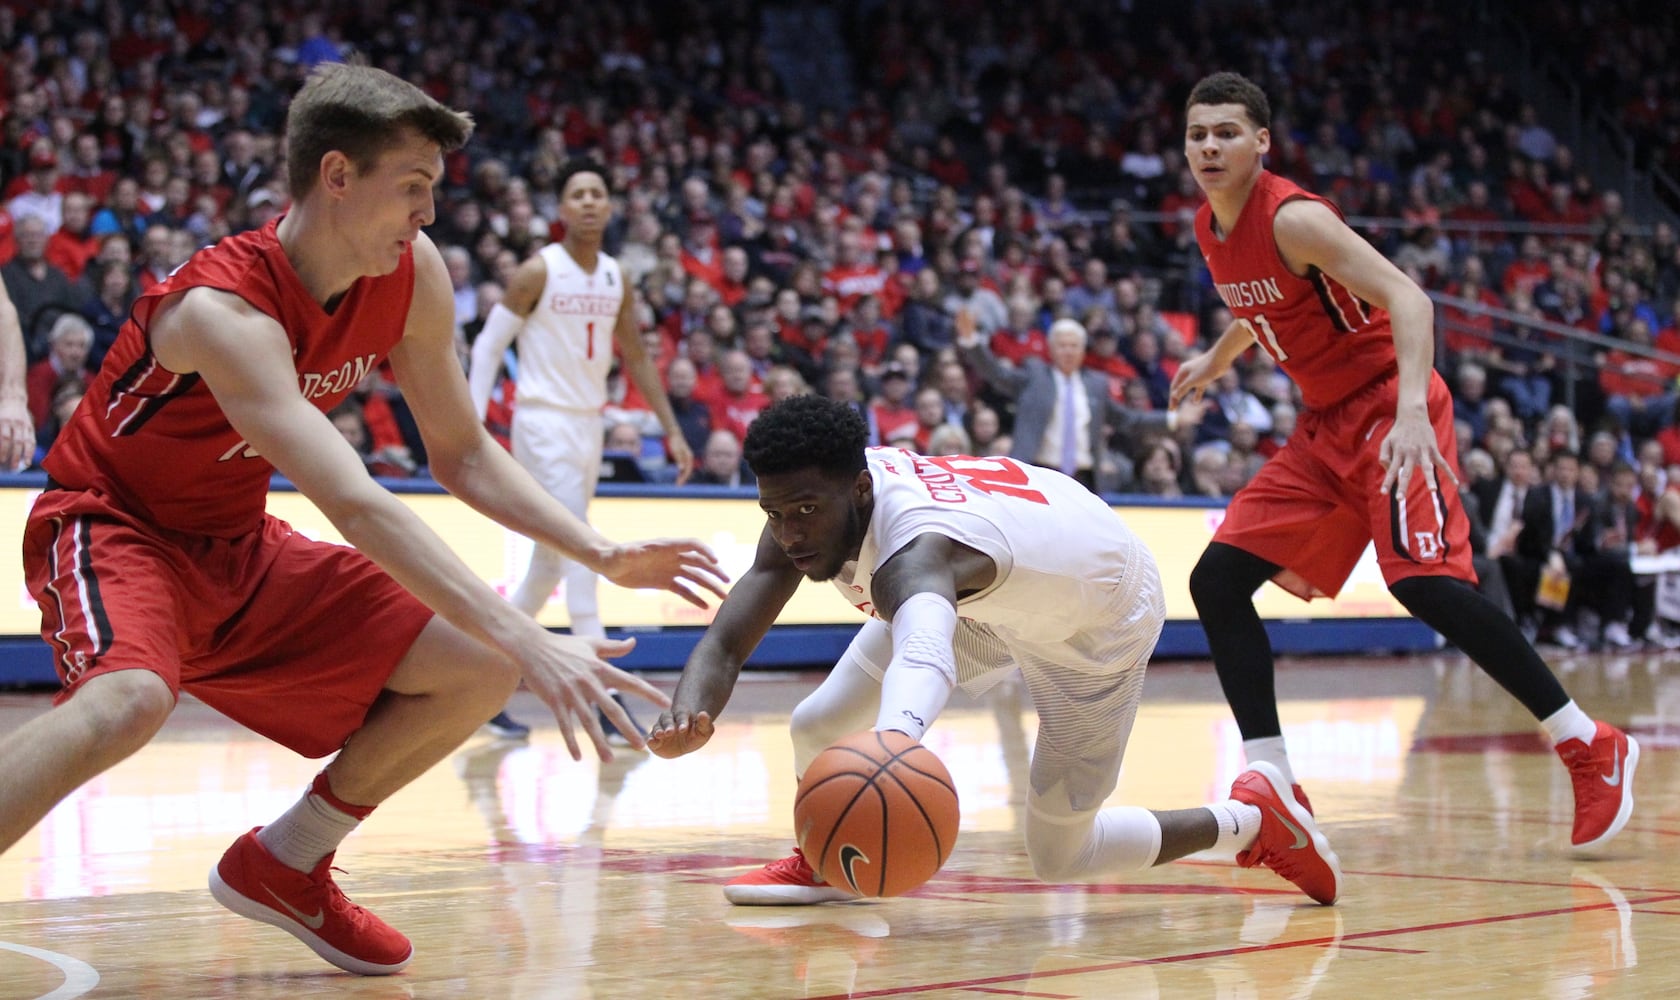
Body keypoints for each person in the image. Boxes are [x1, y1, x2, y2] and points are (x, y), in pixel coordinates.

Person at [0, 65, 726, 978]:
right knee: (129, 700)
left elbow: (459, 453)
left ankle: (287, 860)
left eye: (434, 191)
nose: (428, 215)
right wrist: (534, 636)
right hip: (114, 528)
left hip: (236, 544)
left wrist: (599, 549)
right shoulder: (223, 311)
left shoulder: (409, 273)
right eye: (413, 188)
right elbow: (352, 501)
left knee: (478, 664)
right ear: (337, 176)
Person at [1169, 72, 1636, 857]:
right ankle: (1274, 780)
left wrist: (1414, 409)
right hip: (1323, 427)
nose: (1208, 146)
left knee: (1424, 583)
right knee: (1215, 580)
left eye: (1225, 132)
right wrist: (1218, 356)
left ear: (1262, 143)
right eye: (1196, 134)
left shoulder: (1296, 217)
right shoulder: (1210, 227)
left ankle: (1587, 741)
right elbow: (1262, 306)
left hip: (1390, 405)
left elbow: (1411, 300)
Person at [648, 395, 1342, 908]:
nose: (791, 533)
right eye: (775, 514)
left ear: (859, 488)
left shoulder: (915, 552)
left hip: (1096, 613)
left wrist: (896, 744)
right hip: (998, 583)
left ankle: (1254, 821)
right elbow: (726, 641)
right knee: (817, 723)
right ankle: (827, 859)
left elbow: (926, 655)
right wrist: (689, 711)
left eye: (804, 512)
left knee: (1060, 853)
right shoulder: (811, 504)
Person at [469, 158, 696, 742]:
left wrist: (670, 428)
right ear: (562, 210)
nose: (590, 202)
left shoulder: (616, 277)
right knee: (580, 550)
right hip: (541, 421)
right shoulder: (537, 271)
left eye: (599, 192)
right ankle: (605, 696)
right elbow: (489, 346)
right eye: (579, 193)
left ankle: (477, 681)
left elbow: (638, 358)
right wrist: (469, 419)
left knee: (548, 561)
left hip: (587, 424)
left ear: (610, 207)